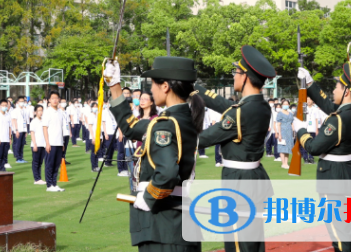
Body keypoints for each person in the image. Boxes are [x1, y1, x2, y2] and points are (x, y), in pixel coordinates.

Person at [105, 56, 204, 251]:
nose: (151, 90)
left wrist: (148, 197)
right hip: (177, 222)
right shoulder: (182, 118)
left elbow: (167, 172)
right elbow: (131, 127)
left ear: (165, 86)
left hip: (164, 224)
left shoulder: (165, 124)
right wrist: (114, 85)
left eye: (153, 84)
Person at [196, 45, 275, 252]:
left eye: (236, 72)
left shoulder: (240, 112)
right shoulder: (260, 105)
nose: (234, 77)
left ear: (246, 77)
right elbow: (224, 104)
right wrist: (194, 87)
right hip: (255, 178)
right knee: (253, 240)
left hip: (239, 181)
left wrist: (175, 135)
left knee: (238, 242)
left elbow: (204, 139)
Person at [294, 63, 351, 252]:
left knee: (339, 233)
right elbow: (329, 105)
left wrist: (300, 129)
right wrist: (310, 83)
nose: (334, 89)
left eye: (337, 86)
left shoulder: (339, 119)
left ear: (347, 92)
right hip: (350, 174)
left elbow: (314, 148)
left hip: (335, 179)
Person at [42, 91, 65, 192]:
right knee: (49, 164)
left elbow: (61, 128)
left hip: (59, 142)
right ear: (49, 100)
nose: (55, 100)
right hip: (51, 142)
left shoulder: (60, 112)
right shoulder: (47, 112)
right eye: (53, 98)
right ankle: (49, 184)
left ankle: (54, 184)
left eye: (56, 98)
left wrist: (62, 142)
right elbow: (44, 128)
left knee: (56, 164)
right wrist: (47, 143)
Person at [0, 99, 12, 172]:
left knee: (5, 156)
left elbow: (10, 127)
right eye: (3, 105)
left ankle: (3, 169)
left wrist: (10, 138)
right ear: (0, 106)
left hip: (6, 139)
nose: (4, 107)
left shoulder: (8, 115)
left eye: (5, 105)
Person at [275, 99, 294, 169]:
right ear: (282, 105)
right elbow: (278, 124)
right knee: (282, 147)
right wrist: (279, 134)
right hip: (283, 131)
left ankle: (286, 163)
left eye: (287, 104)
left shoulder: (291, 113)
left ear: (289, 105)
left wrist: (293, 131)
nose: (286, 105)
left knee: (288, 148)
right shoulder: (280, 113)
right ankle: (283, 163)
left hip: (289, 132)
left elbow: (292, 123)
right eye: (284, 104)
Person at [30, 105, 46, 184]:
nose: (40, 112)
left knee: (40, 162)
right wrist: (35, 144)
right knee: (36, 162)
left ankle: (39, 178)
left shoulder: (44, 121)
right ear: (35, 112)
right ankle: (37, 179)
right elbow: (32, 133)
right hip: (36, 144)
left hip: (43, 144)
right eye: (39, 111)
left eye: (41, 110)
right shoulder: (34, 121)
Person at [11, 97, 28, 164]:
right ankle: (18, 157)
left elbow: (25, 120)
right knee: (18, 144)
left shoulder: (24, 110)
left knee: (22, 144)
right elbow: (14, 120)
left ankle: (21, 157)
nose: (22, 102)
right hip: (18, 129)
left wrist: (26, 130)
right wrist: (16, 130)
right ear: (17, 102)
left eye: (23, 101)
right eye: (20, 101)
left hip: (23, 129)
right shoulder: (15, 111)